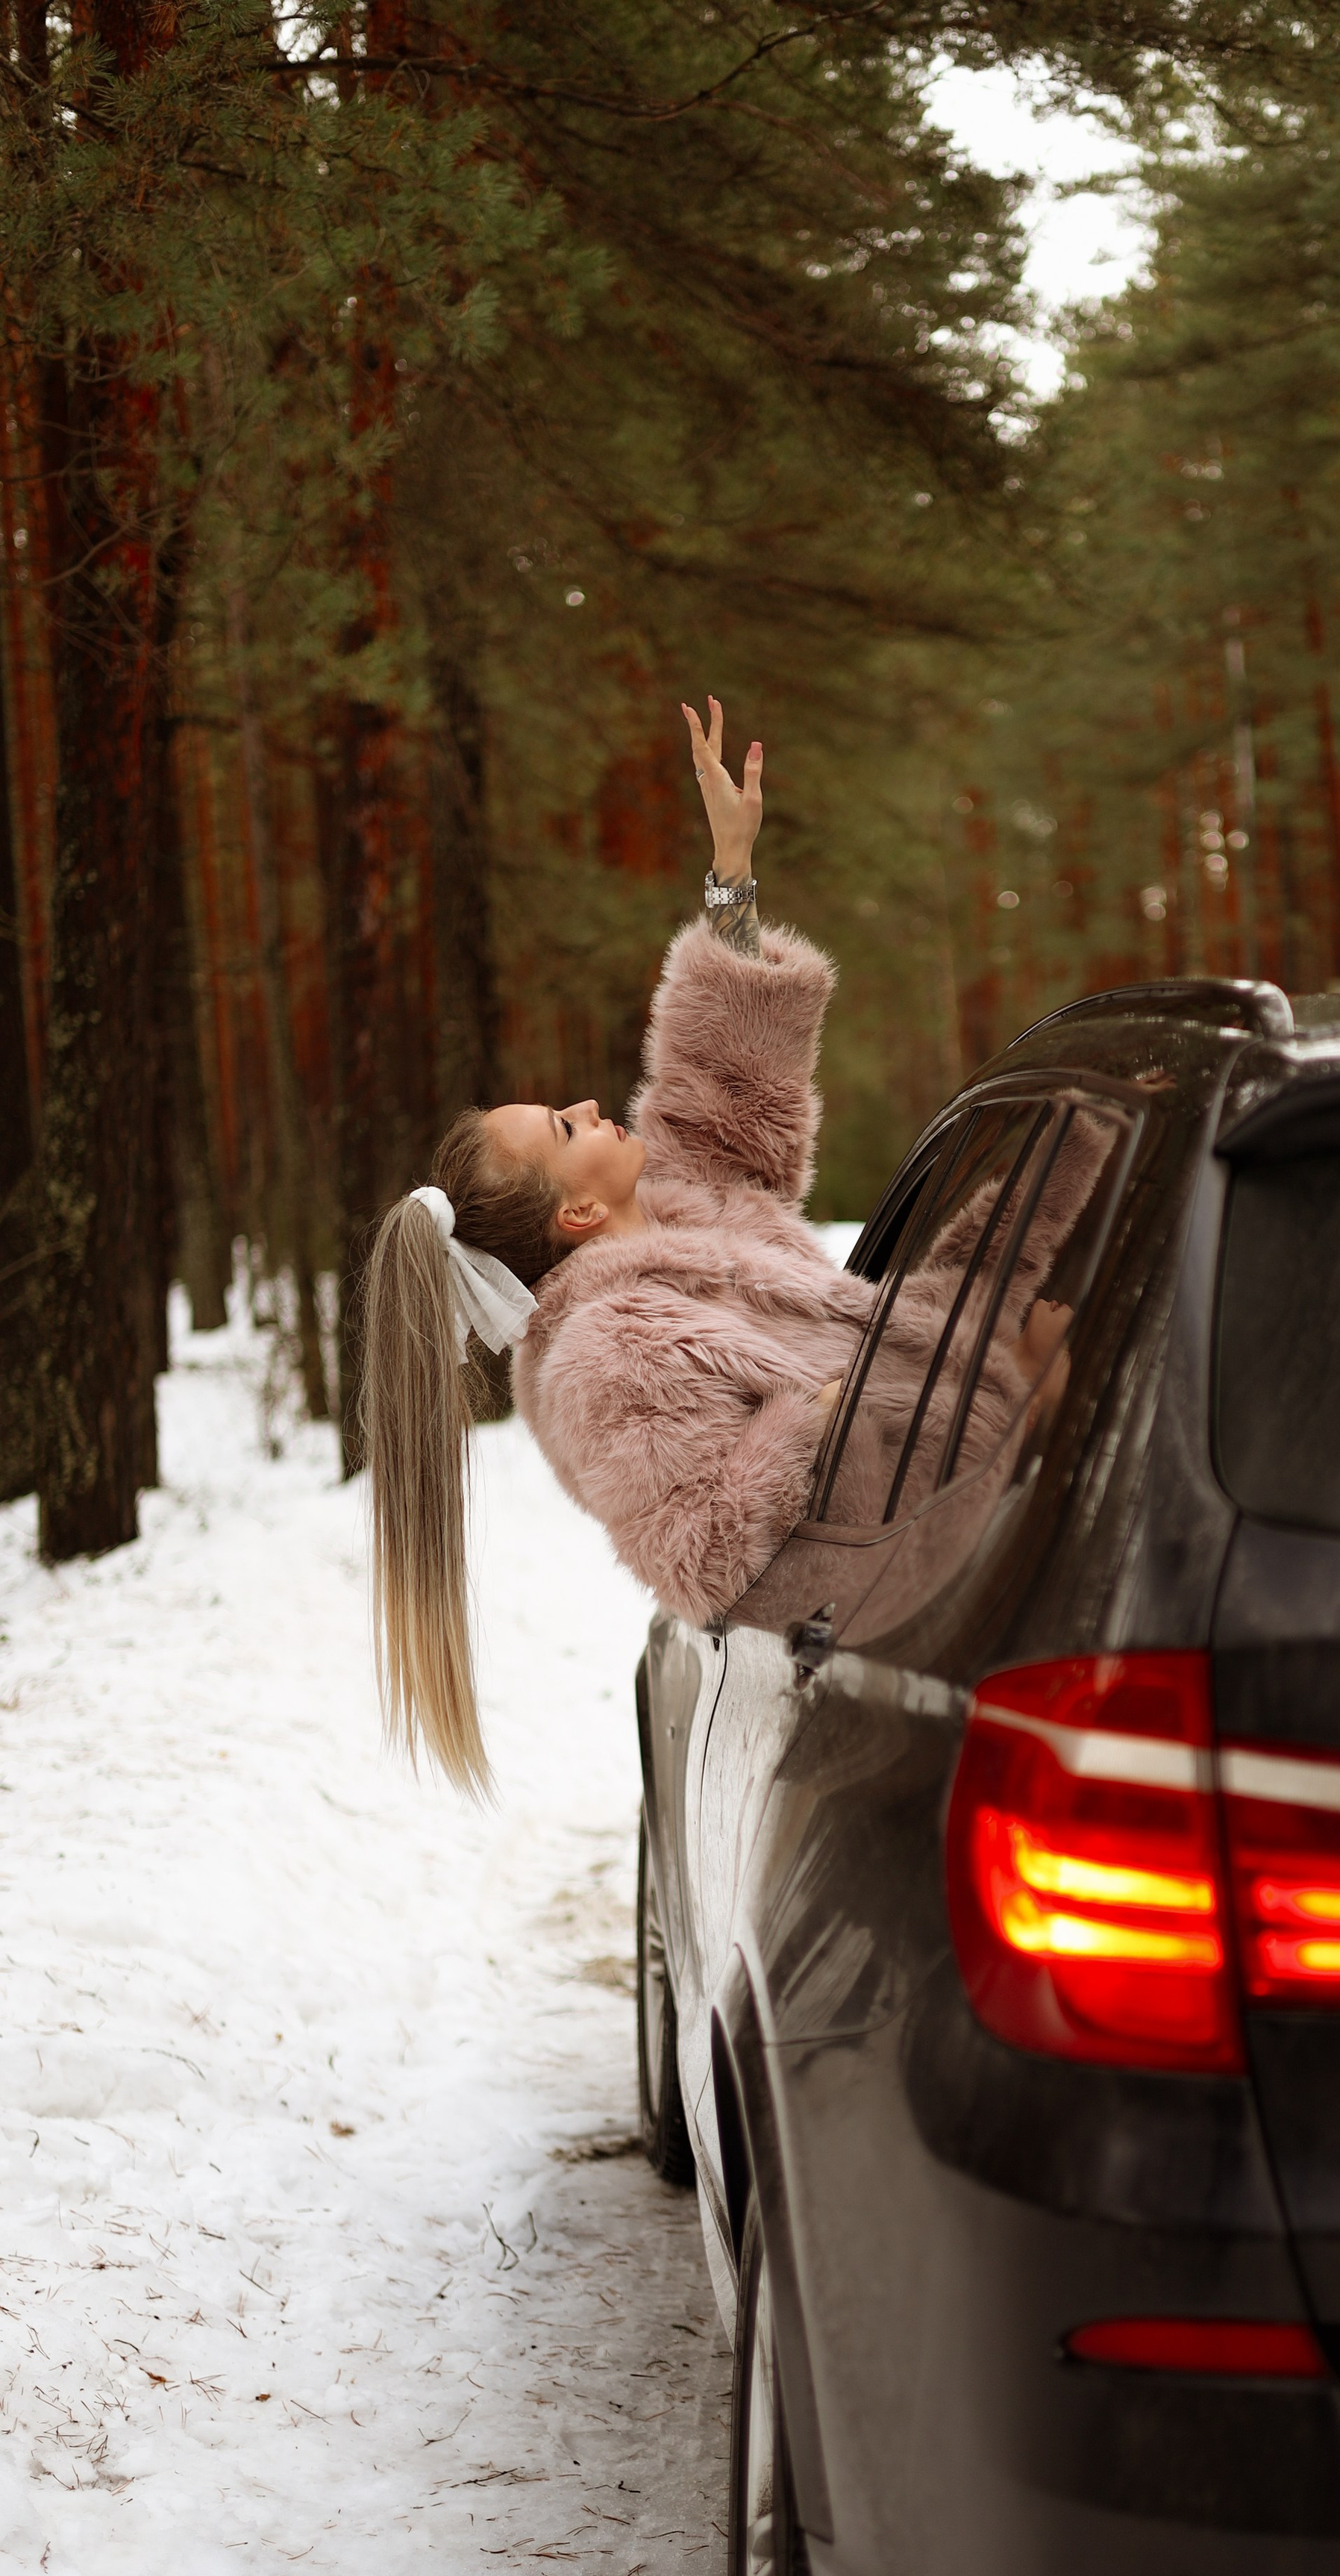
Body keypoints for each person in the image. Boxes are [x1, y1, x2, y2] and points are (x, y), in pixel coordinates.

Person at [363, 699, 1065, 1795]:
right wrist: (859, 1417)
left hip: (1009, 1456)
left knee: (1067, 1178)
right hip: (964, 1577)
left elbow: (728, 1076)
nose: (589, 1106)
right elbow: (708, 1552)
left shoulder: (686, 1198)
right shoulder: (603, 1356)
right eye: (564, 1130)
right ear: (576, 1216)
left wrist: (731, 871)